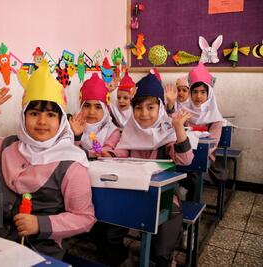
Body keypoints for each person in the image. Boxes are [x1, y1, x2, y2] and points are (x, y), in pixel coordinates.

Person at [0, 61, 96, 259]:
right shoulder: (9, 146)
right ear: (23, 116)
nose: (41, 121)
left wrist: (40, 224)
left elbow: (85, 219)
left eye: (50, 115)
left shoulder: (71, 165)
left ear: (61, 121)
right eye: (34, 113)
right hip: (0, 244)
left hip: (42, 252)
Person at [113, 71, 194, 267]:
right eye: (138, 108)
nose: (144, 113)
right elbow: (118, 159)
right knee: (107, 230)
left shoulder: (166, 132)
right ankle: (123, 258)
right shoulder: (129, 132)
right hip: (130, 192)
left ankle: (164, 258)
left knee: (166, 229)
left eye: (151, 107)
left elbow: (185, 160)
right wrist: (109, 157)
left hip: (162, 195)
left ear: (160, 107)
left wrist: (178, 129)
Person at [181, 63, 225, 201]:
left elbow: (212, 144)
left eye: (202, 92)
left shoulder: (215, 119)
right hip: (182, 155)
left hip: (204, 159)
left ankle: (189, 211)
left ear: (209, 94)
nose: (198, 96)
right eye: (194, 92)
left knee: (193, 177)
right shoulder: (183, 112)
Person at [69, 73, 120, 159]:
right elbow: (69, 151)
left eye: (98, 107)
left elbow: (106, 152)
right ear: (80, 107)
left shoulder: (112, 131)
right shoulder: (71, 125)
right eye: (87, 106)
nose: (91, 112)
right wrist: (77, 136)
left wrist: (104, 153)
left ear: (105, 110)